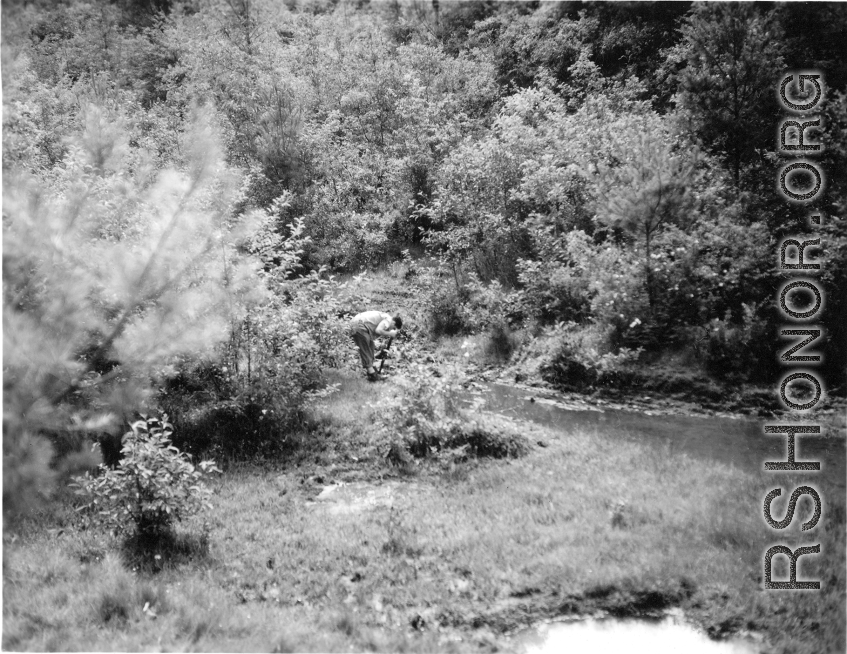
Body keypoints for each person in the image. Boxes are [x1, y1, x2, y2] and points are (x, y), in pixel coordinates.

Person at [350, 310, 402, 381]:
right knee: (365, 347)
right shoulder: (388, 320)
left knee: (371, 345)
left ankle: (372, 371)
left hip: (360, 324)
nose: (391, 329)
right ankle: (372, 375)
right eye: (393, 328)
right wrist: (390, 333)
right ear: (394, 323)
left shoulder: (386, 318)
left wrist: (389, 332)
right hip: (359, 325)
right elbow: (378, 330)